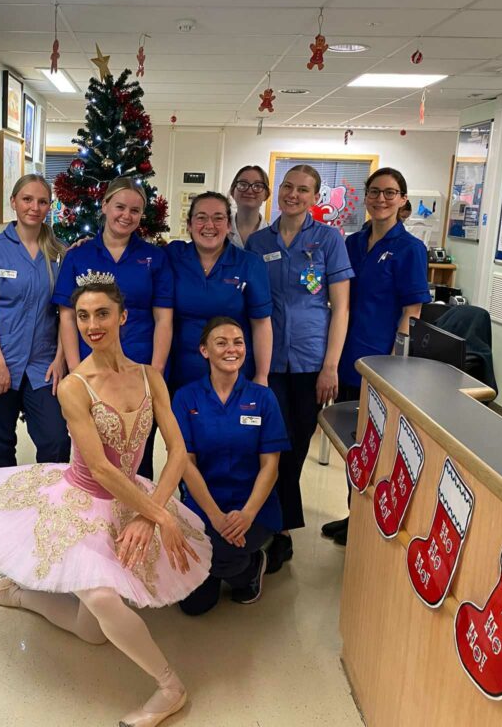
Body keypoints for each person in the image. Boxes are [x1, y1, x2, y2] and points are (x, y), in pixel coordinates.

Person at [0, 280, 211, 727]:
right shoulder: (75, 386)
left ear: (122, 317)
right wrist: (156, 514)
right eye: (82, 316)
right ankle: (170, 687)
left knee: (91, 633)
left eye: (101, 314)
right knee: (100, 596)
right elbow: (99, 468)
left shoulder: (152, 378)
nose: (91, 325)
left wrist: (149, 515)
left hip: (132, 499)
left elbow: (176, 450)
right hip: (81, 500)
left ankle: (18, 593)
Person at [245, 164, 353, 571]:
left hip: (311, 360)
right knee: (269, 444)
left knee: (297, 446)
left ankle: (281, 524)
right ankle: (278, 530)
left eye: (303, 190)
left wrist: (331, 366)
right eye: (288, 187)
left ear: (315, 196)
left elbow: (341, 307)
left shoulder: (327, 240)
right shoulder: (258, 242)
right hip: (266, 361)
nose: (293, 194)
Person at [325, 167, 432, 546]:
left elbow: (411, 312)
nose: (381, 199)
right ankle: (353, 514)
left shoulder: (410, 249)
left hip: (380, 363)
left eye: (390, 193)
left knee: (377, 446)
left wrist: (393, 367)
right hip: (347, 359)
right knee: (354, 443)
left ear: (402, 199)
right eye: (375, 192)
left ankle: (370, 522)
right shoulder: (352, 243)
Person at [53, 177, 174, 480]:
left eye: (135, 210)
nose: (126, 215)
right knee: (90, 454)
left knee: (138, 456)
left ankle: (139, 519)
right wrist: (75, 370)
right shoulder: (79, 256)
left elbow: (164, 319)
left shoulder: (155, 258)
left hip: (139, 367)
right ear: (105, 206)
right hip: (91, 370)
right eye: (120, 206)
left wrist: (154, 373)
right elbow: (67, 317)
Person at [173, 317, 290, 614]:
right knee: (194, 606)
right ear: (204, 351)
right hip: (204, 505)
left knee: (222, 554)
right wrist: (213, 515)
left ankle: (250, 569)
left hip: (254, 508)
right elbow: (185, 464)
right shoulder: (186, 398)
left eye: (238, 342)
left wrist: (248, 514)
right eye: (221, 342)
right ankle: (217, 568)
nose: (231, 349)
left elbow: (271, 467)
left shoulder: (263, 398)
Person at [0, 174, 69, 468]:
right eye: (27, 199)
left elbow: (66, 312)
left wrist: (60, 359)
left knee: (56, 440)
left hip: (43, 364)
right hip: (3, 361)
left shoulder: (58, 252)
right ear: (13, 202)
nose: (34, 207)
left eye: (42, 201)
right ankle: (5, 510)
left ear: (49, 206)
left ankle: (46, 505)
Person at [166, 191, 273, 393]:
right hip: (182, 375)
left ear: (229, 225)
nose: (209, 225)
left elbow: (262, 325)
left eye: (218, 218)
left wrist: (262, 375)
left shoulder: (249, 264)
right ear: (189, 225)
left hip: (234, 375)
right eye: (201, 218)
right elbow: (139, 256)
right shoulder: (173, 256)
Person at [228, 165, 271, 247]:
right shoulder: (219, 229)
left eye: (258, 186)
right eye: (243, 184)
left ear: (266, 194)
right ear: (233, 191)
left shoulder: (274, 236)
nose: (249, 190)